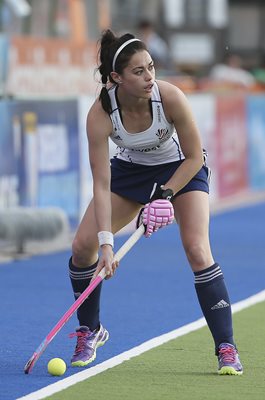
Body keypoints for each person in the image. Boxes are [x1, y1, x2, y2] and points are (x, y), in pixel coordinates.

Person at [68, 29, 243, 376]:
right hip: (130, 172)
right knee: (82, 246)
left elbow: (194, 157)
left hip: (181, 168)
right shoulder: (100, 115)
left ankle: (226, 346)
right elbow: (101, 185)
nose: (150, 77)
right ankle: (91, 330)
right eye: (139, 71)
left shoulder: (171, 97)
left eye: (151, 67)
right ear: (116, 77)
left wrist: (165, 195)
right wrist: (106, 243)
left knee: (197, 249)